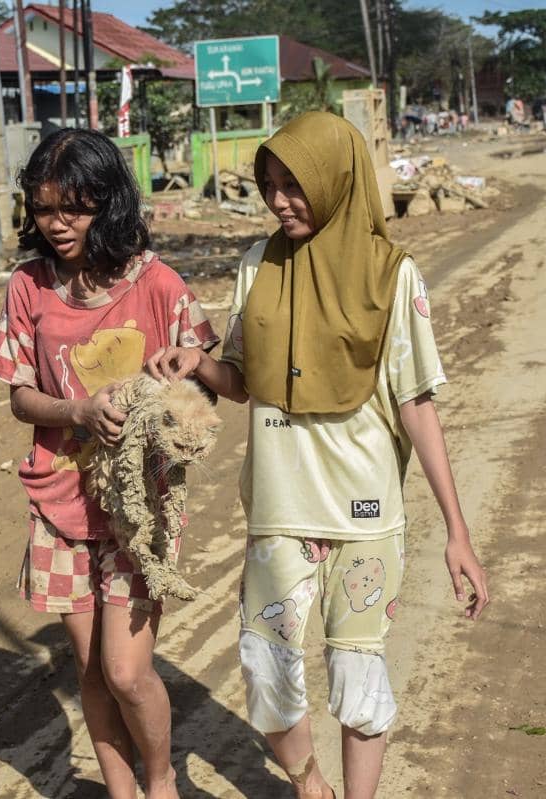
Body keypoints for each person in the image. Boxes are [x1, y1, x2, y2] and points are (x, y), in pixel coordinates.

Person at [145, 112, 489, 799]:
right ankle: (309, 780)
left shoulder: (394, 275)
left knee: (357, 674)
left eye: (294, 186)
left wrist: (459, 532)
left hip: (364, 515)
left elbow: (418, 404)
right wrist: (200, 365)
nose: (279, 200)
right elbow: (243, 381)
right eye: (270, 185)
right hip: (279, 510)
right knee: (264, 666)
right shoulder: (257, 266)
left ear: (336, 180)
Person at [0, 128, 218, 799]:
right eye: (44, 208)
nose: (58, 223)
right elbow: (20, 395)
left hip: (138, 511)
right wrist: (79, 413)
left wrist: (179, 395)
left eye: (75, 208)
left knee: (125, 670)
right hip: (59, 503)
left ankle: (160, 781)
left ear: (110, 202)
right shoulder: (28, 285)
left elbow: (210, 379)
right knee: (90, 669)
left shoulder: (159, 284)